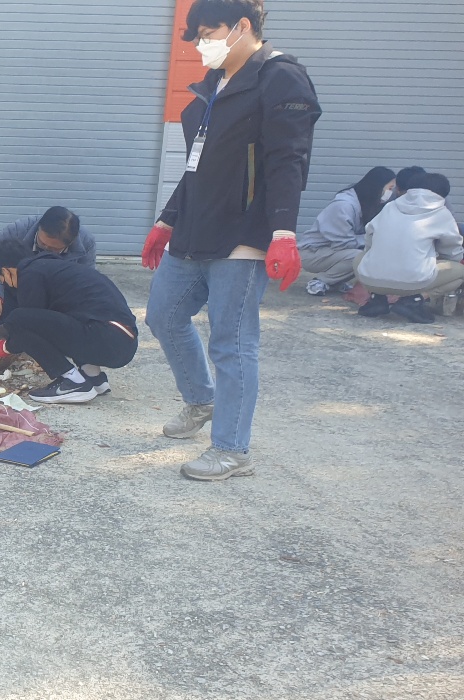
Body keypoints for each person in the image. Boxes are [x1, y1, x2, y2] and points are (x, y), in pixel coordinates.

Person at [139, 0, 321, 482]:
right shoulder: (211, 92)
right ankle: (201, 401)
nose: (201, 44)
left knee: (232, 342)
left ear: (242, 27)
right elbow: (195, 168)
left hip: (243, 237)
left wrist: (282, 232)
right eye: (195, 36)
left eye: (208, 32)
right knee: (163, 315)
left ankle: (231, 450)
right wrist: (166, 220)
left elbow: (288, 160)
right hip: (196, 229)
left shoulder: (279, 78)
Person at [0, 239, 138, 404]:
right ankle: (93, 377)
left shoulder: (30, 273)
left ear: (6, 271)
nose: (3, 282)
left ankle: (73, 382)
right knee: (70, 317)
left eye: (0, 278)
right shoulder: (52, 268)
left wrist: (4, 347)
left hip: (105, 336)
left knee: (18, 318)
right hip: (124, 341)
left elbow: (26, 326)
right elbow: (52, 323)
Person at [0, 206, 97, 328]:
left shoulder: (86, 243)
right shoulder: (17, 230)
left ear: (70, 243)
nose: (46, 252)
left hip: (52, 305)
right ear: (39, 227)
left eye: (53, 249)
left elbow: (83, 288)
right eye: (42, 244)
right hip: (13, 295)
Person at [355, 172, 464, 323]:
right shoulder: (441, 213)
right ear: (442, 194)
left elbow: (369, 236)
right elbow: (452, 251)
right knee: (459, 272)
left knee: (359, 258)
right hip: (413, 283)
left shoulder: (390, 206)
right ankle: (413, 301)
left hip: (371, 280)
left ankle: (377, 299)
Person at [297, 167, 395, 296]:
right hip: (311, 253)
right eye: (389, 188)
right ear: (377, 186)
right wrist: (371, 238)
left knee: (369, 253)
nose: (391, 192)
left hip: (331, 251)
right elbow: (343, 242)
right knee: (360, 257)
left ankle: (336, 281)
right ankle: (320, 282)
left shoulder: (366, 203)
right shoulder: (344, 206)